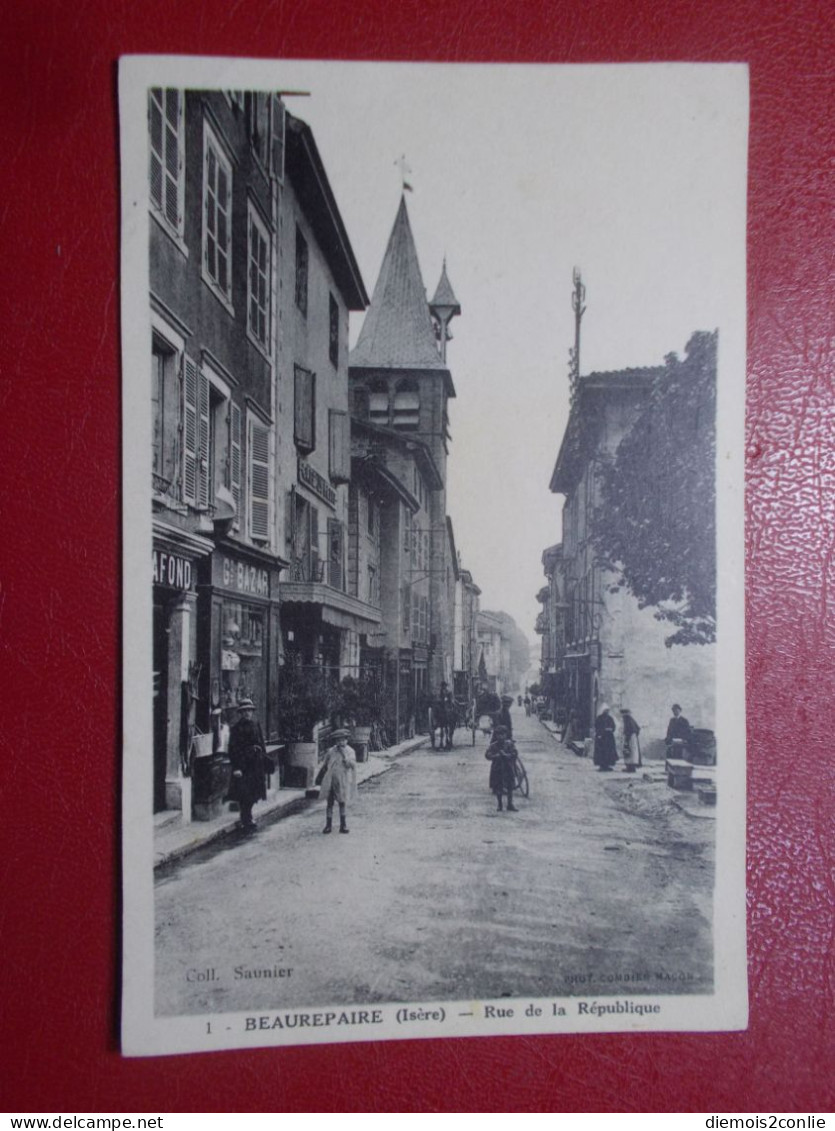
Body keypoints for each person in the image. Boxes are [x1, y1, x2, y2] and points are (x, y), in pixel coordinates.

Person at [227, 698, 268, 832]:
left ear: (252, 712)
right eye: (244, 711)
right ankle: (246, 818)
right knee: (244, 793)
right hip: (244, 764)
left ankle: (248, 816)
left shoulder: (256, 724)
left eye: (249, 711)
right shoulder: (236, 729)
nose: (247, 713)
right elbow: (232, 749)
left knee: (254, 793)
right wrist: (237, 767)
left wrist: (264, 757)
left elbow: (261, 743)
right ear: (241, 713)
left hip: (256, 764)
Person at [316, 728, 357, 834]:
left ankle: (343, 825)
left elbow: (352, 765)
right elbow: (325, 763)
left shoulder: (350, 751)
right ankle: (328, 825)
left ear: (347, 740)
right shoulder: (331, 751)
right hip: (330, 779)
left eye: (343, 740)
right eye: (338, 740)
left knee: (342, 802)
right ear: (335, 741)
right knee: (329, 803)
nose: (341, 742)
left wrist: (345, 758)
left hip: (342, 779)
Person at [485, 725, 517, 812]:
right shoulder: (493, 746)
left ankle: (510, 804)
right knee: (499, 788)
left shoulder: (509, 744)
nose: (501, 737)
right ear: (496, 736)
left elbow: (514, 753)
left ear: (506, 735)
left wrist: (506, 755)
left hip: (508, 768)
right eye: (498, 735)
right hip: (497, 769)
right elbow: (487, 755)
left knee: (510, 786)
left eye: (502, 735)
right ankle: (500, 805)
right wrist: (496, 756)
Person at [593, 704, 617, 772]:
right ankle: (602, 765)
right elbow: (597, 726)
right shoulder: (599, 718)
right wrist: (600, 732)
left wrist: (611, 729)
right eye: (605, 710)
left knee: (608, 752)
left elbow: (613, 726)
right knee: (601, 752)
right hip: (601, 737)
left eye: (608, 711)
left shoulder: (610, 718)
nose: (607, 712)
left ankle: (607, 765)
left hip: (609, 738)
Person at [620, 708, 642, 772]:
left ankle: (631, 767)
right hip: (632, 737)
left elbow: (629, 730)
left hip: (630, 738)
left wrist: (627, 738)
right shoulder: (631, 719)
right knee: (631, 752)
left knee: (630, 752)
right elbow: (637, 728)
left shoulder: (627, 720)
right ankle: (630, 767)